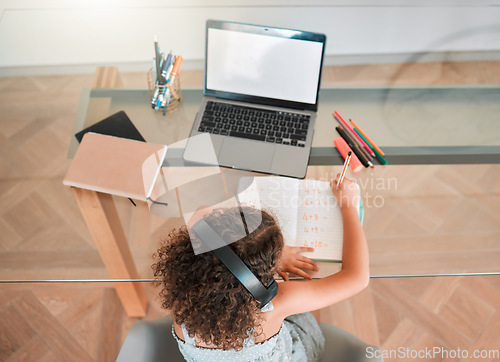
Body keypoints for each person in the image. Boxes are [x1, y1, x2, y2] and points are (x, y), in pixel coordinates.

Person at [152, 177, 369, 361]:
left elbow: (199, 214)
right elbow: (358, 278)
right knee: (306, 275)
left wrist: (260, 262)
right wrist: (348, 204)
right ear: (261, 282)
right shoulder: (276, 304)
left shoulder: (182, 300)